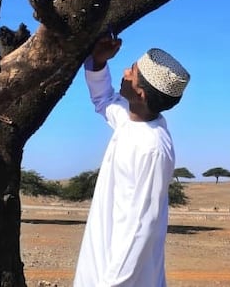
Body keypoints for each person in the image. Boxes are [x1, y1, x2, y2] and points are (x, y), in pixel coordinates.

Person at [73, 34, 190, 287]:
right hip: (102, 259)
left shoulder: (152, 148)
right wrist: (99, 62)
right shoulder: (131, 122)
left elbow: (142, 226)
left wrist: (113, 283)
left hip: (123, 277)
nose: (125, 71)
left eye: (132, 72)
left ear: (140, 93)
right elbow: (104, 100)